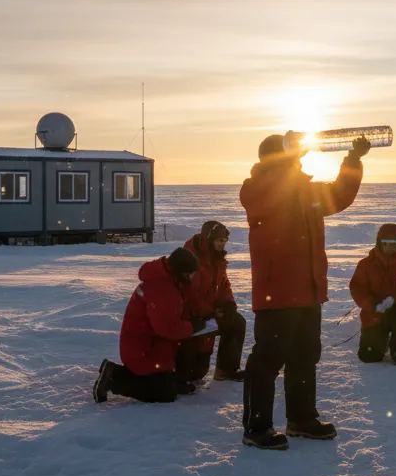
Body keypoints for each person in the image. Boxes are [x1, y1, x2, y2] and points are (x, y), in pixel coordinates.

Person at [239, 132, 369, 450]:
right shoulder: (257, 188)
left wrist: (352, 161)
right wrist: (285, 159)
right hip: (277, 293)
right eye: (292, 157)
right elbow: (266, 195)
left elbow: (338, 196)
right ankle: (256, 427)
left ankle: (301, 419)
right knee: (267, 361)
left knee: (304, 357)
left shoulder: (306, 192)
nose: (298, 160)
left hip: (309, 291)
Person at [92, 248, 212, 404]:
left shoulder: (168, 280)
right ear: (179, 271)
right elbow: (167, 328)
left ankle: (170, 382)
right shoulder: (162, 289)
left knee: (169, 380)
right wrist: (192, 327)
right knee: (164, 393)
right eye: (189, 274)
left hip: (152, 345)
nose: (192, 277)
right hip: (144, 350)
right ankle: (115, 378)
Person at [180, 221, 246, 382]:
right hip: (191, 318)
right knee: (195, 374)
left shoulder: (217, 259)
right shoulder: (190, 257)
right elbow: (189, 294)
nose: (223, 244)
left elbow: (223, 284)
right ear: (209, 239)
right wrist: (209, 311)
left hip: (208, 312)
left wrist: (228, 304)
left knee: (236, 322)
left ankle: (226, 370)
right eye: (219, 240)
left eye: (225, 241)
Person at [350, 223, 396, 365]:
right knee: (369, 357)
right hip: (373, 313)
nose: (390, 247)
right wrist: (371, 304)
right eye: (386, 243)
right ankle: (380, 341)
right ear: (379, 243)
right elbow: (357, 288)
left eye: (394, 244)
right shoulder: (366, 265)